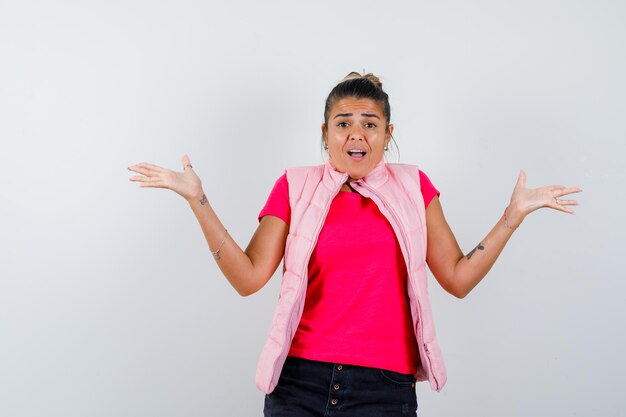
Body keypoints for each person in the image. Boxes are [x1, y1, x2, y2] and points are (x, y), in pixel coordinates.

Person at [127, 72, 581, 417]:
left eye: (370, 123)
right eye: (343, 123)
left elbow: (458, 278)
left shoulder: (413, 186)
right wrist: (197, 199)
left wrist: (513, 216)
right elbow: (248, 278)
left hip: (383, 390)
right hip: (298, 384)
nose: (356, 134)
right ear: (325, 133)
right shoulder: (295, 185)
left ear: (388, 133)